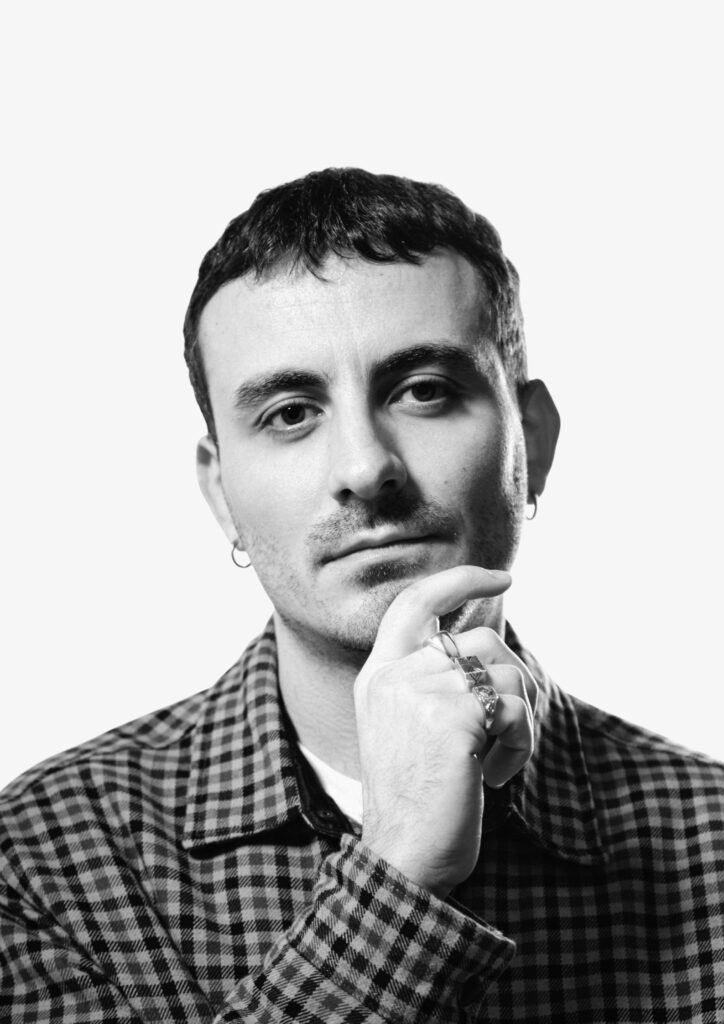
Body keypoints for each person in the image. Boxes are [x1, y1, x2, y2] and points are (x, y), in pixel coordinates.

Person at [1, 168, 722, 1023]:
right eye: (290, 413)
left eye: (424, 392)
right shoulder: (39, 863)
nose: (365, 468)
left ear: (532, 440)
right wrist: (396, 866)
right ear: (222, 492)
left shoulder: (712, 845)